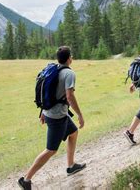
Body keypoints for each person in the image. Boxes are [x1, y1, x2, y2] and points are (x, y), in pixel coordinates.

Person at [18, 46, 86, 190]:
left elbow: (49, 93)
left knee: (73, 133)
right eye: (71, 56)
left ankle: (71, 166)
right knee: (51, 150)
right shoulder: (68, 74)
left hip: (56, 113)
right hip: (57, 116)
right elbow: (70, 96)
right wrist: (80, 114)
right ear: (69, 59)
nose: (72, 58)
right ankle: (26, 179)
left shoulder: (54, 69)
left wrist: (43, 110)